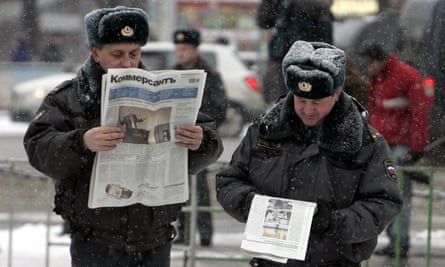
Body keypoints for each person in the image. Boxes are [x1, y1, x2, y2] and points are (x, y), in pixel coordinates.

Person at [23, 6, 223, 267]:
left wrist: (200, 141)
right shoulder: (68, 98)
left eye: (134, 53)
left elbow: (211, 144)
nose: (128, 63)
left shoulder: (165, 90)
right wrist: (82, 142)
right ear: (95, 53)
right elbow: (39, 148)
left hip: (155, 239)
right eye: (117, 54)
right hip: (94, 243)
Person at [216, 40, 403, 266]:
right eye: (301, 100)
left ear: (337, 94)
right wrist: (254, 206)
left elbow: (383, 202)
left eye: (317, 102)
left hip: (334, 261)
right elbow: (229, 181)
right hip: (271, 260)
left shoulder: (366, 143)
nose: (307, 109)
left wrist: (333, 223)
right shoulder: (265, 132)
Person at [359, 43, 432, 258]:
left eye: (370, 63)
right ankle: (395, 240)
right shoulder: (380, 76)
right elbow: (375, 108)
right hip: (383, 143)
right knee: (388, 193)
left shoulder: (406, 76)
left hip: (399, 145)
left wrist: (417, 147)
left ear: (379, 60)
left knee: (399, 194)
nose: (368, 68)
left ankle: (400, 241)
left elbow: (419, 112)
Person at [172, 28, 228, 247]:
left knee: (201, 189)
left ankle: (205, 235)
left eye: (185, 49)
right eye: (179, 49)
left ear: (195, 50)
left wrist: (204, 130)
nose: (181, 53)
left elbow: (219, 108)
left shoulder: (210, 75)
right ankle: (183, 232)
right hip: (177, 140)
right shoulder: (175, 72)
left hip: (200, 140)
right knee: (179, 188)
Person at [256, 0, 334, 105]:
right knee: (276, 101)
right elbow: (264, 21)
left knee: (305, 102)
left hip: (309, 59)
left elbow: (319, 6)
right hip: (280, 57)